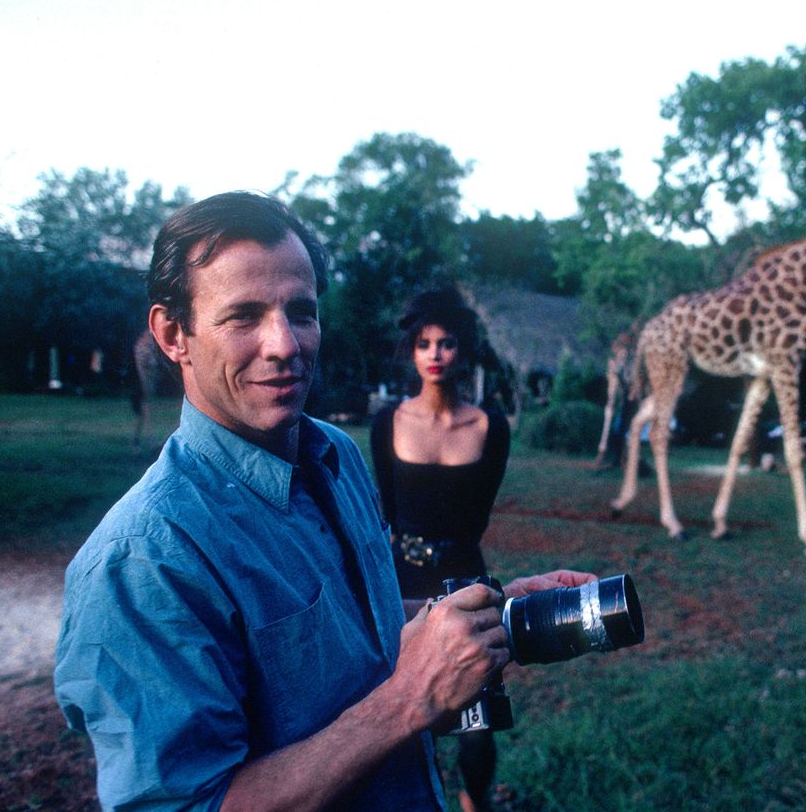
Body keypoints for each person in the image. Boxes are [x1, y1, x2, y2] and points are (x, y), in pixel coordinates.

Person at [53, 192, 593, 812]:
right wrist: (407, 699)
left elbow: (348, 630)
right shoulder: (141, 563)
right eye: (244, 316)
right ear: (174, 334)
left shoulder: (334, 456)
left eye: (301, 312)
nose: (284, 344)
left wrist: (482, 612)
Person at [370, 288, 508, 812]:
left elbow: (479, 516)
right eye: (424, 343)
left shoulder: (490, 428)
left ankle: (476, 802)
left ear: (462, 351)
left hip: (466, 576)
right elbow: (386, 511)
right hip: (401, 578)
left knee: (478, 722)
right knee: (405, 714)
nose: (434, 354)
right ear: (411, 351)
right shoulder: (388, 422)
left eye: (446, 343)